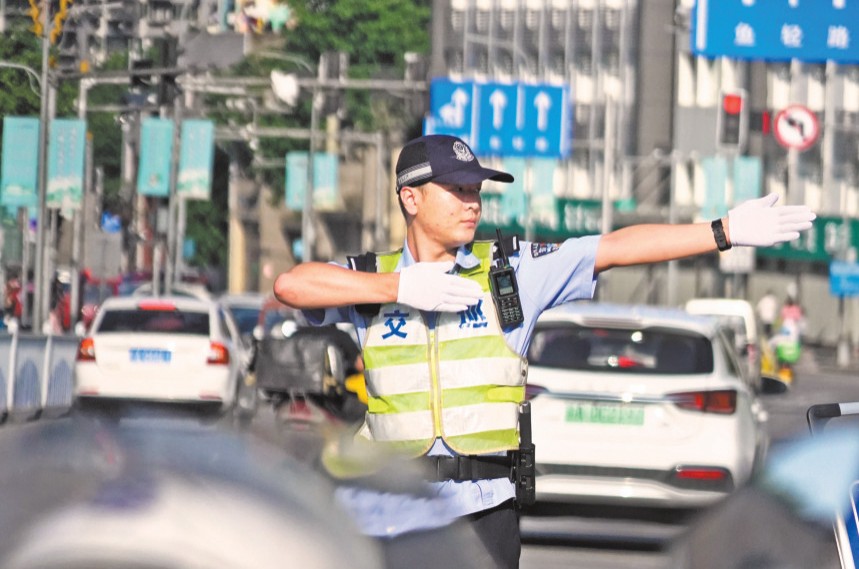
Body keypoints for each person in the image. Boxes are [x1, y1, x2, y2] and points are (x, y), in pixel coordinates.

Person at [272, 134, 815, 568]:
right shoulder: (370, 278)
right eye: (457, 190)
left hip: (482, 509)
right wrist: (399, 289)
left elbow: (614, 248)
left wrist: (724, 230)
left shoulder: (512, 272)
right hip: (387, 506)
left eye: (477, 190)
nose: (473, 203)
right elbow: (292, 286)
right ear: (411, 198)